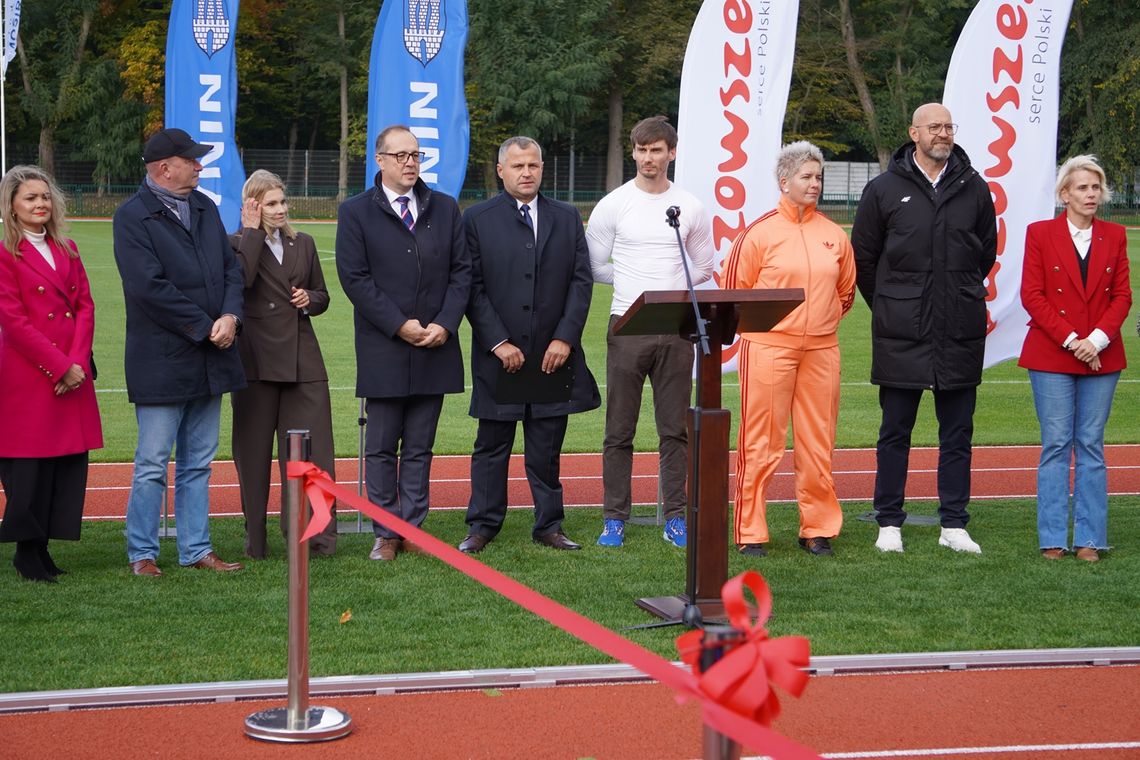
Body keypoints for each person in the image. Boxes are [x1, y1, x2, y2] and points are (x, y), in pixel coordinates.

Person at [851, 102, 997, 555]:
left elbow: (984, 254)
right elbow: (864, 260)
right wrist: (894, 305)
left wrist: (953, 296)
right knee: (895, 431)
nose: (943, 133)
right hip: (902, 333)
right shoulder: (883, 189)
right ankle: (888, 522)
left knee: (957, 433)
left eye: (949, 126)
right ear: (914, 133)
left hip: (958, 330)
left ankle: (953, 523)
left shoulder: (975, 187)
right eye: (934, 127)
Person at [113, 127, 247, 576]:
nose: (199, 166)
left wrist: (231, 317)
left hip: (212, 355)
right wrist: (206, 327)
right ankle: (142, 553)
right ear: (164, 168)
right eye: (191, 160)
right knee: (153, 463)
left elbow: (231, 271)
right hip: (163, 359)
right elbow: (148, 287)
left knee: (198, 463)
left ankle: (196, 549)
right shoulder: (132, 217)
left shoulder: (204, 206)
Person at [458, 136, 600, 554]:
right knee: (491, 446)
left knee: (546, 448)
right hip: (498, 358)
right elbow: (471, 287)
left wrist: (565, 338)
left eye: (533, 165)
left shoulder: (567, 217)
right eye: (518, 166)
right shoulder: (477, 219)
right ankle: (483, 525)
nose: (526, 173)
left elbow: (580, 282)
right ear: (501, 170)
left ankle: (549, 525)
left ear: (542, 169)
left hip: (553, 357)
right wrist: (498, 342)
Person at [336, 125, 470, 562]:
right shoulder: (356, 212)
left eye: (415, 155)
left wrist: (445, 324)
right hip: (385, 347)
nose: (410, 162)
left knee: (419, 447)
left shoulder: (445, 208)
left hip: (435, 345)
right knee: (380, 447)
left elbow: (462, 272)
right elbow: (355, 279)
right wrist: (399, 326)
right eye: (401, 156)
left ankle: (411, 528)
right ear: (380, 160)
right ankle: (386, 532)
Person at [719, 142, 856, 557]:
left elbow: (845, 293)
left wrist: (818, 324)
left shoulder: (834, 235)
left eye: (818, 177)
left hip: (822, 350)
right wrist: (779, 329)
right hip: (768, 348)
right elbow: (733, 294)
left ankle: (817, 528)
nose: (815, 184)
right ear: (784, 181)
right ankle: (750, 530)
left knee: (818, 443)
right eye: (806, 176)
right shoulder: (758, 233)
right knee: (761, 443)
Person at [587, 115, 716, 548]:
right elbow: (594, 264)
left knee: (674, 429)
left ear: (671, 153)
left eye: (656, 150)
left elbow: (703, 266)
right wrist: (634, 286)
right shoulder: (614, 204)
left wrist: (668, 294)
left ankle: (675, 516)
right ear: (633, 152)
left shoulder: (689, 207)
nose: (648, 158)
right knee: (618, 430)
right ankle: (614, 519)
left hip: (675, 328)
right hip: (626, 325)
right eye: (641, 150)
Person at [1018, 155, 1131, 563]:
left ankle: (1090, 539)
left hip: (1101, 355)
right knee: (1055, 444)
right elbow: (1032, 295)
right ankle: (1052, 538)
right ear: (1064, 194)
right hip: (1052, 354)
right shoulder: (1040, 233)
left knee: (1091, 445)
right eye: (1082, 187)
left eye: (1096, 187)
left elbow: (1123, 296)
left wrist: (1096, 341)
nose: (1091, 194)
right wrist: (1073, 341)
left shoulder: (1115, 235)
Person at [0, 166, 103, 582]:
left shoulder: (69, 249)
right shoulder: (6, 253)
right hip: (29, 378)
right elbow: (13, 321)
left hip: (70, 375)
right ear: (12, 206)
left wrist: (76, 364)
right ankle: (26, 553)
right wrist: (59, 366)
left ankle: (42, 548)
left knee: (63, 467)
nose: (40, 203)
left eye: (45, 196)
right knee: (29, 470)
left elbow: (85, 308)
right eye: (30, 198)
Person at [230, 170, 338, 558]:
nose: (280, 210)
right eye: (270, 204)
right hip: (255, 362)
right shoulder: (235, 243)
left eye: (282, 202)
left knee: (315, 454)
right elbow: (239, 282)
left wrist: (310, 299)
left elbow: (323, 295)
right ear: (253, 206)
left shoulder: (303, 242)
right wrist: (251, 232)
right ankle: (256, 543)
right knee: (253, 456)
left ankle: (317, 538)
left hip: (303, 360)